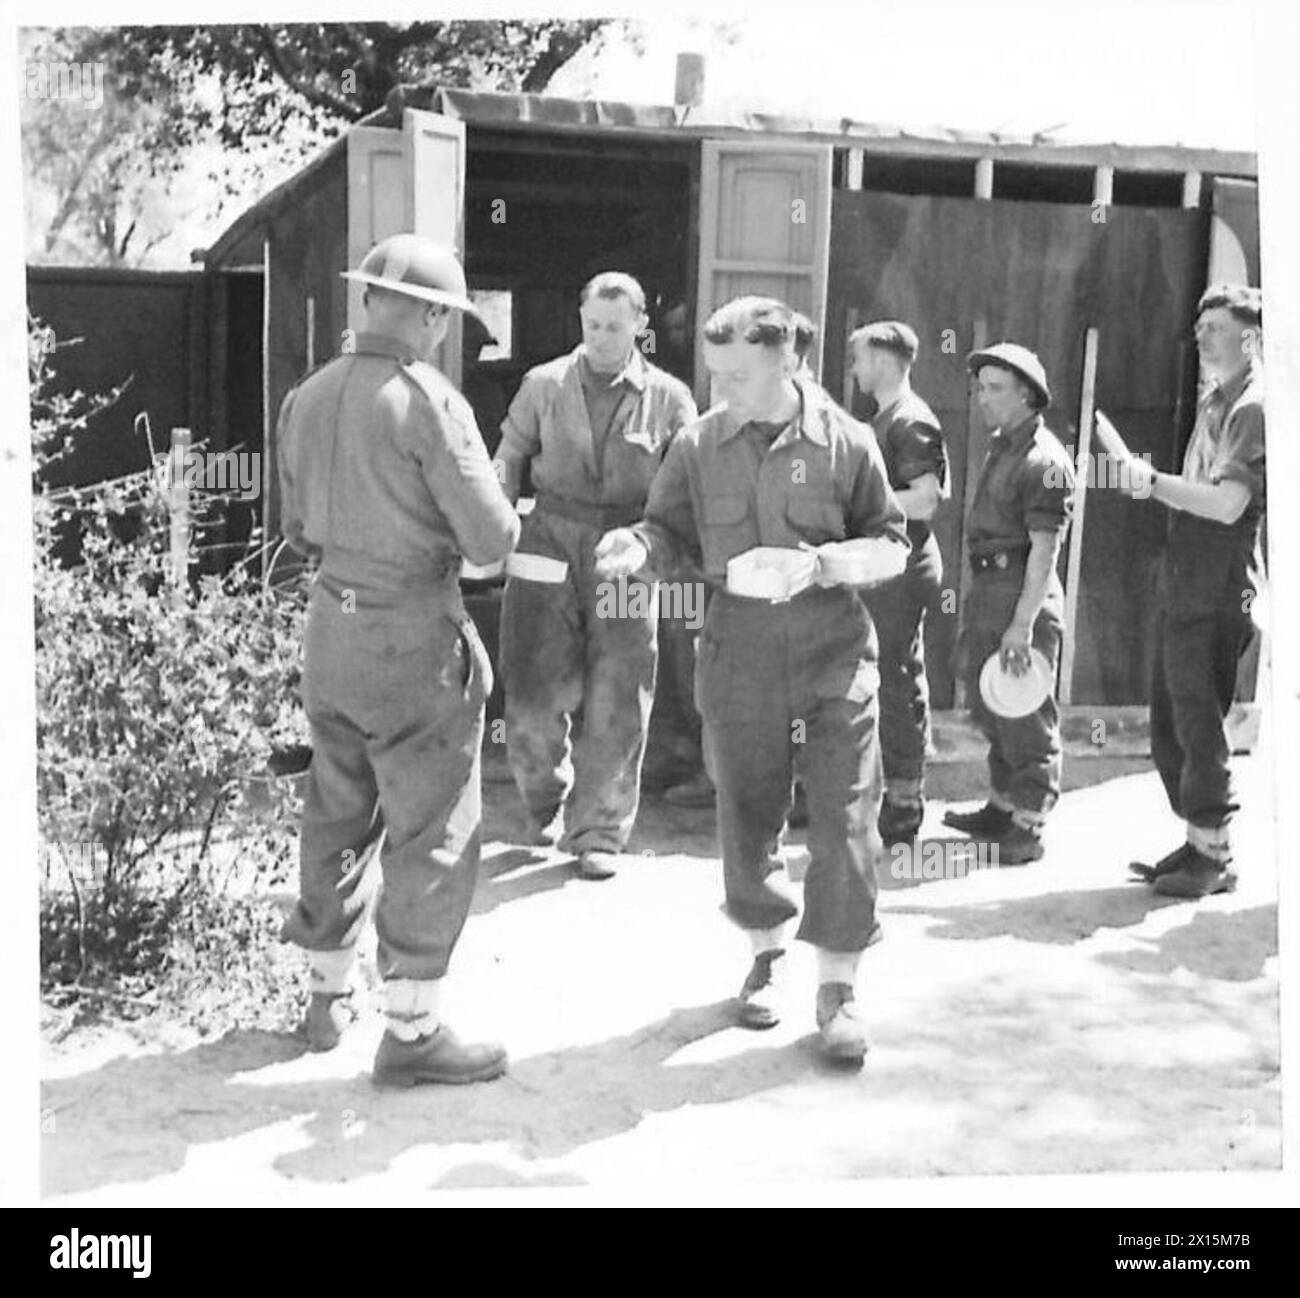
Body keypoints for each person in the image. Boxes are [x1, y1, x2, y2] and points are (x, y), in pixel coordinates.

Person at [594, 295, 910, 1064]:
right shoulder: (699, 444)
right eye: (716, 373)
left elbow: (891, 540)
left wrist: (836, 562)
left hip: (834, 654)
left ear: (789, 359)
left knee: (845, 817)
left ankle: (839, 989)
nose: (723, 388)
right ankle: (767, 953)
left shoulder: (847, 441)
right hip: (739, 652)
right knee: (747, 811)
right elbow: (666, 530)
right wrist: (637, 549)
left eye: (739, 373)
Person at [277, 234, 520, 1087]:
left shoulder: (308, 395)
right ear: (431, 317)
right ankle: (413, 1029)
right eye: (443, 318)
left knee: (336, 807)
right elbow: (491, 539)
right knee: (431, 824)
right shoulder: (430, 402)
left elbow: (295, 527)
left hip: (331, 629)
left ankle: (325, 994)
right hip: (412, 636)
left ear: (365, 299)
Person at [493, 273, 698, 880]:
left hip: (626, 551)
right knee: (532, 690)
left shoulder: (670, 398)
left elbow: (685, 487)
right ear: (580, 320)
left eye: (615, 326)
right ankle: (543, 799)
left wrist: (660, 548)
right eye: (593, 325)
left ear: (640, 325)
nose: (602, 337)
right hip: (548, 539)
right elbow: (507, 457)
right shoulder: (544, 384)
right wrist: (496, 523)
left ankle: (599, 830)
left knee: (618, 690)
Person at [1103, 285, 1265, 898]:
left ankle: (1215, 855)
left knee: (1197, 721)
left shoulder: (1252, 407)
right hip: (1190, 573)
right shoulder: (1217, 401)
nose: (1202, 338)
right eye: (1199, 330)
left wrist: (1151, 482)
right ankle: (1199, 841)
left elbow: (1227, 505)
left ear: (1251, 337)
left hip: (1218, 579)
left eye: (1215, 328)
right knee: (1173, 719)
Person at [943, 343, 1074, 864]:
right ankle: (1002, 806)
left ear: (1026, 396)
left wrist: (1022, 624)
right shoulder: (1004, 447)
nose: (983, 398)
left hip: (1022, 594)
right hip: (991, 590)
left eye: (995, 389)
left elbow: (1045, 551)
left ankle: (1030, 824)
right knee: (993, 702)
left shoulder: (1044, 460)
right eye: (981, 388)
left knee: (1024, 710)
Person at [850, 321, 950, 844]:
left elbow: (926, 498)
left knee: (894, 677)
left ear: (884, 362)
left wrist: (866, 505)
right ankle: (881, 791)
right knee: (883, 675)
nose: (855, 370)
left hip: (902, 568)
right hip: (885, 565)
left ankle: (905, 800)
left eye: (861, 359)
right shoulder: (888, 418)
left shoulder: (909, 420)